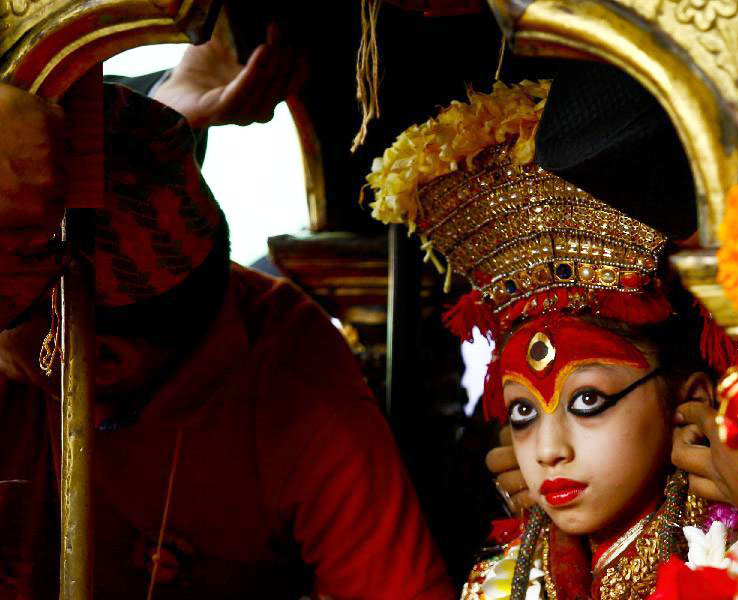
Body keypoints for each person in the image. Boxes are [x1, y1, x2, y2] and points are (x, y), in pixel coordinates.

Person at [0, 31, 454, 600]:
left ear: (102, 360)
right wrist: (165, 105)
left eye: (7, 302)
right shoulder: (48, 333)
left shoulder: (300, 391)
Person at [364, 64, 738, 599]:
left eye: (588, 400)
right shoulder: (496, 581)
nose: (548, 451)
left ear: (689, 405)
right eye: (523, 413)